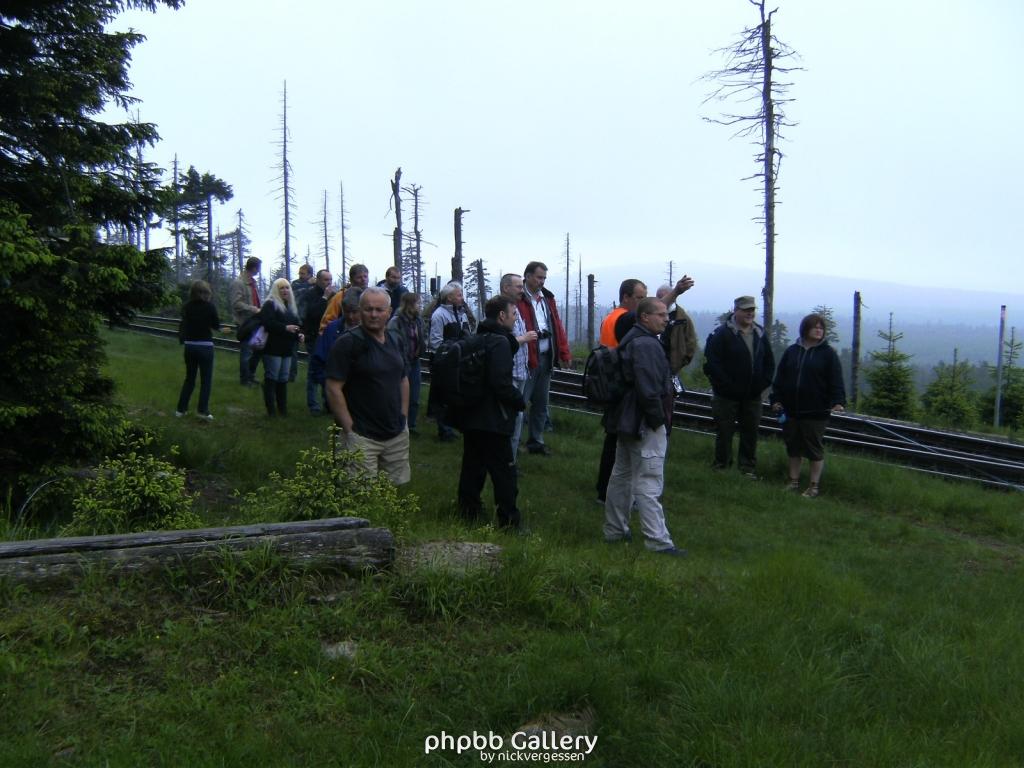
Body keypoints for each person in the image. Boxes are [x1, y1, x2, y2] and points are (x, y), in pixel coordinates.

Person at [602, 298, 686, 556]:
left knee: (622, 475)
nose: (666, 319)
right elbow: (649, 389)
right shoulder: (647, 345)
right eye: (660, 315)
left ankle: (615, 530)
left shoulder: (631, 339)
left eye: (666, 315)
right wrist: (657, 420)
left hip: (625, 420)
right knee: (649, 480)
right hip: (643, 422)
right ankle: (658, 542)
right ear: (645, 317)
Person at [325, 287, 411, 486]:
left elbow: (403, 379)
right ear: (360, 310)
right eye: (368, 309)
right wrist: (349, 429)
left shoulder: (395, 339)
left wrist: (403, 417)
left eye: (379, 310)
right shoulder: (347, 343)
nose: (374, 314)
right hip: (362, 434)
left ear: (389, 312)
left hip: (395, 432)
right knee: (359, 494)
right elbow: (333, 387)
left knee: (394, 490)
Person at [454, 295, 527, 530]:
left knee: (472, 467)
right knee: (504, 472)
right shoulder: (500, 342)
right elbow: (500, 383)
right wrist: (519, 401)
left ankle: (468, 513)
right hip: (495, 417)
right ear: (502, 316)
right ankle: (508, 520)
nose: (516, 319)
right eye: (514, 314)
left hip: (471, 414)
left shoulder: (477, 338)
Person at [770, 313, 846, 498]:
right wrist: (776, 399)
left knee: (813, 448)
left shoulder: (828, 355)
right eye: (815, 327)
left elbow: (836, 381)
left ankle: (814, 486)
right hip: (791, 409)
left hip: (816, 410)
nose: (819, 330)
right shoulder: (792, 351)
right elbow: (780, 378)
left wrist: (838, 402)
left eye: (821, 327)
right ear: (805, 329)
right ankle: (793, 481)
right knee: (793, 446)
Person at [703, 295, 776, 476]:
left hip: (752, 394)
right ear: (735, 311)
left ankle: (747, 468)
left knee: (750, 432)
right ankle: (722, 466)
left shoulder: (759, 333)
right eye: (746, 310)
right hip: (726, 395)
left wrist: (762, 383)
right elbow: (713, 363)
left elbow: (769, 362)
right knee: (725, 431)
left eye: (752, 310)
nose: (750, 313)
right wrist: (725, 386)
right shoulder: (722, 334)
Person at [596, 279, 648, 503]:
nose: (643, 303)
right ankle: (614, 493)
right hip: (622, 387)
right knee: (621, 442)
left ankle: (605, 490)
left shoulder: (611, 317)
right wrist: (675, 293)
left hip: (611, 383)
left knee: (613, 440)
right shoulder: (625, 319)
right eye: (639, 298)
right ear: (626, 297)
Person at [516, 261, 570, 456]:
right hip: (527, 357)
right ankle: (514, 443)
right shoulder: (518, 298)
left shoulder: (547, 298)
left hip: (546, 356)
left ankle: (536, 441)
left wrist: (564, 352)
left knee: (541, 402)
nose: (542, 281)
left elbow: (557, 326)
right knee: (520, 401)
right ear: (528, 276)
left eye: (544, 278)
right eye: (539, 277)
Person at [426, 281, 475, 442]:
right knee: (441, 396)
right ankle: (444, 430)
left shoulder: (460, 313)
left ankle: (450, 426)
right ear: (449, 298)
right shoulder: (439, 315)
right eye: (459, 295)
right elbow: (435, 341)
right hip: (443, 361)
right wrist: (446, 357)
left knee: (452, 395)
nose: (462, 298)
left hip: (457, 360)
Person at [498, 273, 537, 462]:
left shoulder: (516, 308)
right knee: (509, 417)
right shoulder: (500, 309)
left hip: (520, 371)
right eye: (518, 287)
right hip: (509, 373)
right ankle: (505, 461)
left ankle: (510, 460)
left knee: (518, 417)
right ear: (506, 288)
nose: (522, 290)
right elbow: (500, 340)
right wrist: (525, 338)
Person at [257, 278, 305, 417]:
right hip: (273, 348)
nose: (285, 290)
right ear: (275, 290)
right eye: (281, 288)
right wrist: (285, 328)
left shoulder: (290, 306)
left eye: (287, 288)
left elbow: (295, 326)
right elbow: (267, 323)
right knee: (272, 378)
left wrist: (299, 335)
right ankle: (271, 410)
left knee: (283, 379)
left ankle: (283, 409)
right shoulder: (270, 304)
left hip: (287, 348)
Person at [175, 280, 221, 420]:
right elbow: (216, 325)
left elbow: (184, 324)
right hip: (205, 346)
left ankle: (180, 410)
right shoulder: (210, 307)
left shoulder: (187, 307)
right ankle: (202, 410)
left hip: (190, 346)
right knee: (205, 380)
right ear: (206, 293)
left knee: (189, 379)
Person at [387, 291, 425, 434]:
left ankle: (411, 425)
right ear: (410, 304)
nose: (420, 306)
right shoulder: (395, 322)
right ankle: (398, 423)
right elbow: (392, 342)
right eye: (418, 303)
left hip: (415, 362)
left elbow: (421, 337)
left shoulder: (418, 320)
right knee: (399, 394)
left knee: (414, 396)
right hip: (401, 362)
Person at [302, 269, 335, 414]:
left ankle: (328, 403)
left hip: (328, 336)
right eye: (326, 280)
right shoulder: (310, 294)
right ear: (318, 280)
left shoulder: (334, 296)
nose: (329, 283)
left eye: (330, 280)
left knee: (328, 370)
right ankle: (313, 405)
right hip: (313, 336)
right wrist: (324, 298)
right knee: (313, 371)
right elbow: (312, 314)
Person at [229, 256, 262, 386]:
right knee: (247, 351)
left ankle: (251, 375)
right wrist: (252, 309)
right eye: (258, 268)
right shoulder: (238, 283)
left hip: (255, 321)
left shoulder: (252, 283)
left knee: (256, 351)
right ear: (254, 268)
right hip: (245, 322)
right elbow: (236, 304)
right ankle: (245, 379)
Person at [320, 263, 370, 333]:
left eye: (365, 276)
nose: (363, 280)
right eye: (359, 277)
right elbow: (327, 322)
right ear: (351, 280)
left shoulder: (371, 296)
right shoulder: (340, 296)